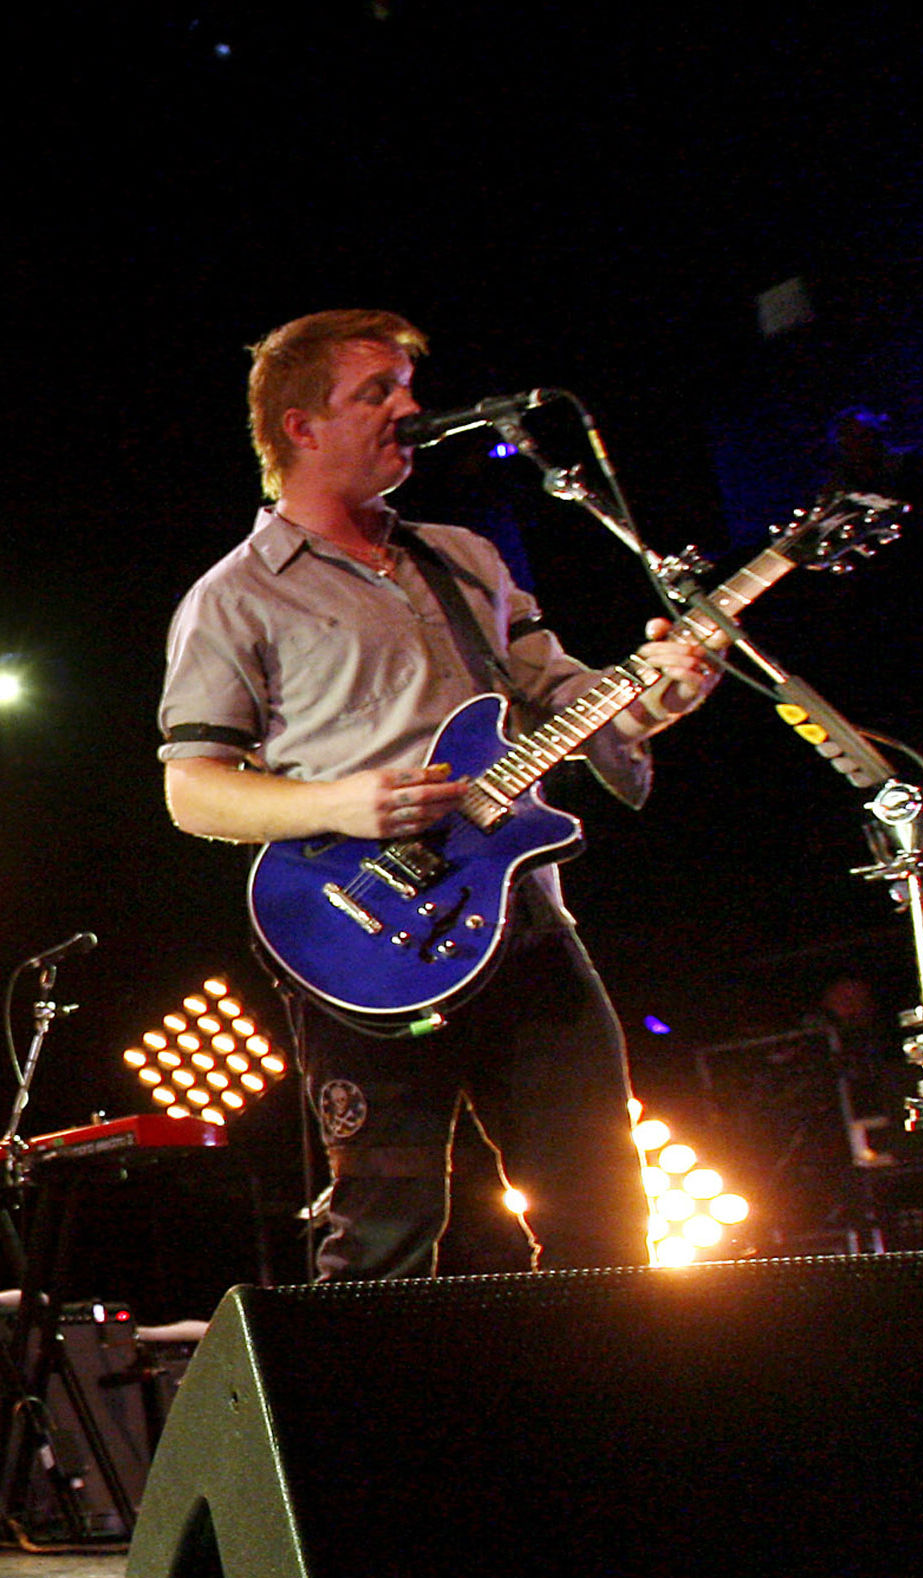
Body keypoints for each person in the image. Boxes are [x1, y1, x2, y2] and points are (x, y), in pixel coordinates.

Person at [157, 310, 725, 1279]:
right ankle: (357, 1430)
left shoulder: (463, 558)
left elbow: (562, 700)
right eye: (374, 391)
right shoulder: (235, 595)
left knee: (603, 1216)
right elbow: (193, 791)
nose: (407, 409)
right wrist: (336, 805)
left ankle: (614, 1419)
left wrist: (652, 694)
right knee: (384, 1226)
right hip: (360, 934)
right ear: (299, 426)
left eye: (405, 389)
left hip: (522, 923)